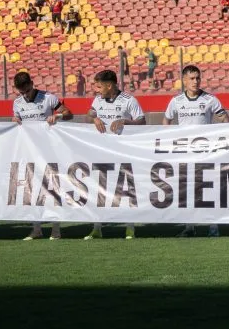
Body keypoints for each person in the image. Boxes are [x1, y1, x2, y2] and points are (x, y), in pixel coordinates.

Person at [163, 65, 229, 237]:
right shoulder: (176, 101)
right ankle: (190, 227)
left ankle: (213, 227)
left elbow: (226, 120)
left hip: (205, 154)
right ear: (184, 80)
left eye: (197, 78)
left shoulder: (210, 99)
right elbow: (166, 121)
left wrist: (221, 139)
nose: (195, 81)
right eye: (192, 78)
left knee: (209, 189)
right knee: (187, 190)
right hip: (184, 154)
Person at [81, 70, 146, 240]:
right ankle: (97, 228)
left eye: (99, 86)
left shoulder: (129, 100)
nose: (96, 89)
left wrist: (125, 121)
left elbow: (142, 121)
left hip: (123, 153)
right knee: (99, 189)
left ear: (109, 85)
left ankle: (130, 227)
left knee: (125, 190)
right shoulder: (98, 99)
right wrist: (94, 118)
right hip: (101, 152)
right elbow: (89, 114)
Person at [11, 72, 74, 240]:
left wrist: (57, 116)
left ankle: (56, 229)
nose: (24, 94)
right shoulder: (17, 103)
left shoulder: (48, 98)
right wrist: (14, 120)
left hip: (49, 150)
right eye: (21, 91)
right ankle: (36, 229)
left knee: (52, 188)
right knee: (31, 189)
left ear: (32, 83)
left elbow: (69, 114)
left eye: (27, 89)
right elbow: (16, 121)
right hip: (29, 151)